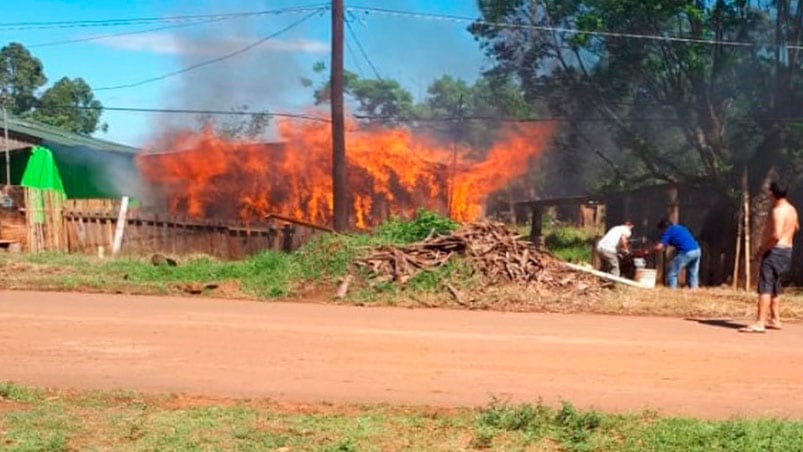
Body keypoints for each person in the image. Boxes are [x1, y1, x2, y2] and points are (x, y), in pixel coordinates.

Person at [740, 181, 799, 333]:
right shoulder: (792, 209)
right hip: (787, 250)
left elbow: (776, 235)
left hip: (776, 251)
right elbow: (796, 227)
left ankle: (760, 322)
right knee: (775, 285)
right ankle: (775, 319)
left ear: (772, 193)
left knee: (765, 286)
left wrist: (762, 249)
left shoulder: (777, 211)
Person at [654, 219, 702, 289]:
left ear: (664, 227)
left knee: (672, 272)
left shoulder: (668, 231)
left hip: (687, 251)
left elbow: (659, 247)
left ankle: (672, 291)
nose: (661, 232)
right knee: (693, 273)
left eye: (661, 230)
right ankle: (694, 289)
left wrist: (649, 251)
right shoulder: (680, 227)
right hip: (697, 250)